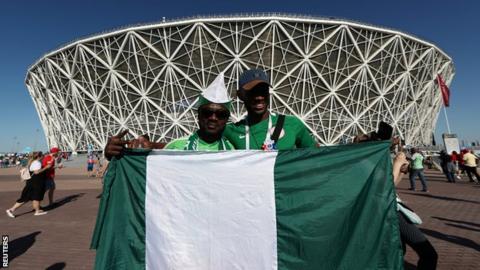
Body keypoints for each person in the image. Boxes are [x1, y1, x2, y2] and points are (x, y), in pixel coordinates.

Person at [104, 73, 234, 157]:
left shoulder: (236, 153)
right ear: (198, 116)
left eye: (220, 114)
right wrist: (116, 153)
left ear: (227, 119)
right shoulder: (177, 146)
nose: (213, 118)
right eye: (207, 112)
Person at [223, 69, 317, 150]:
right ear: (240, 95)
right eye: (253, 92)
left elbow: (318, 157)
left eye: (263, 91)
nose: (259, 97)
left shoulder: (292, 124)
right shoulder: (231, 131)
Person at [393, 152, 438, 270]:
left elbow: (391, 186)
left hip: (392, 209)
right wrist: (397, 164)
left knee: (398, 251)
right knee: (428, 254)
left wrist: (402, 171)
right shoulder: (364, 165)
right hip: (389, 211)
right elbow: (385, 187)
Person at [6, 152, 51, 217]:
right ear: (39, 156)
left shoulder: (32, 162)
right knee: (34, 197)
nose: (43, 156)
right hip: (36, 182)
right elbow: (36, 172)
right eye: (42, 155)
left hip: (32, 182)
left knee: (29, 197)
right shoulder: (37, 163)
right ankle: (11, 210)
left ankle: (37, 210)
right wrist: (46, 167)